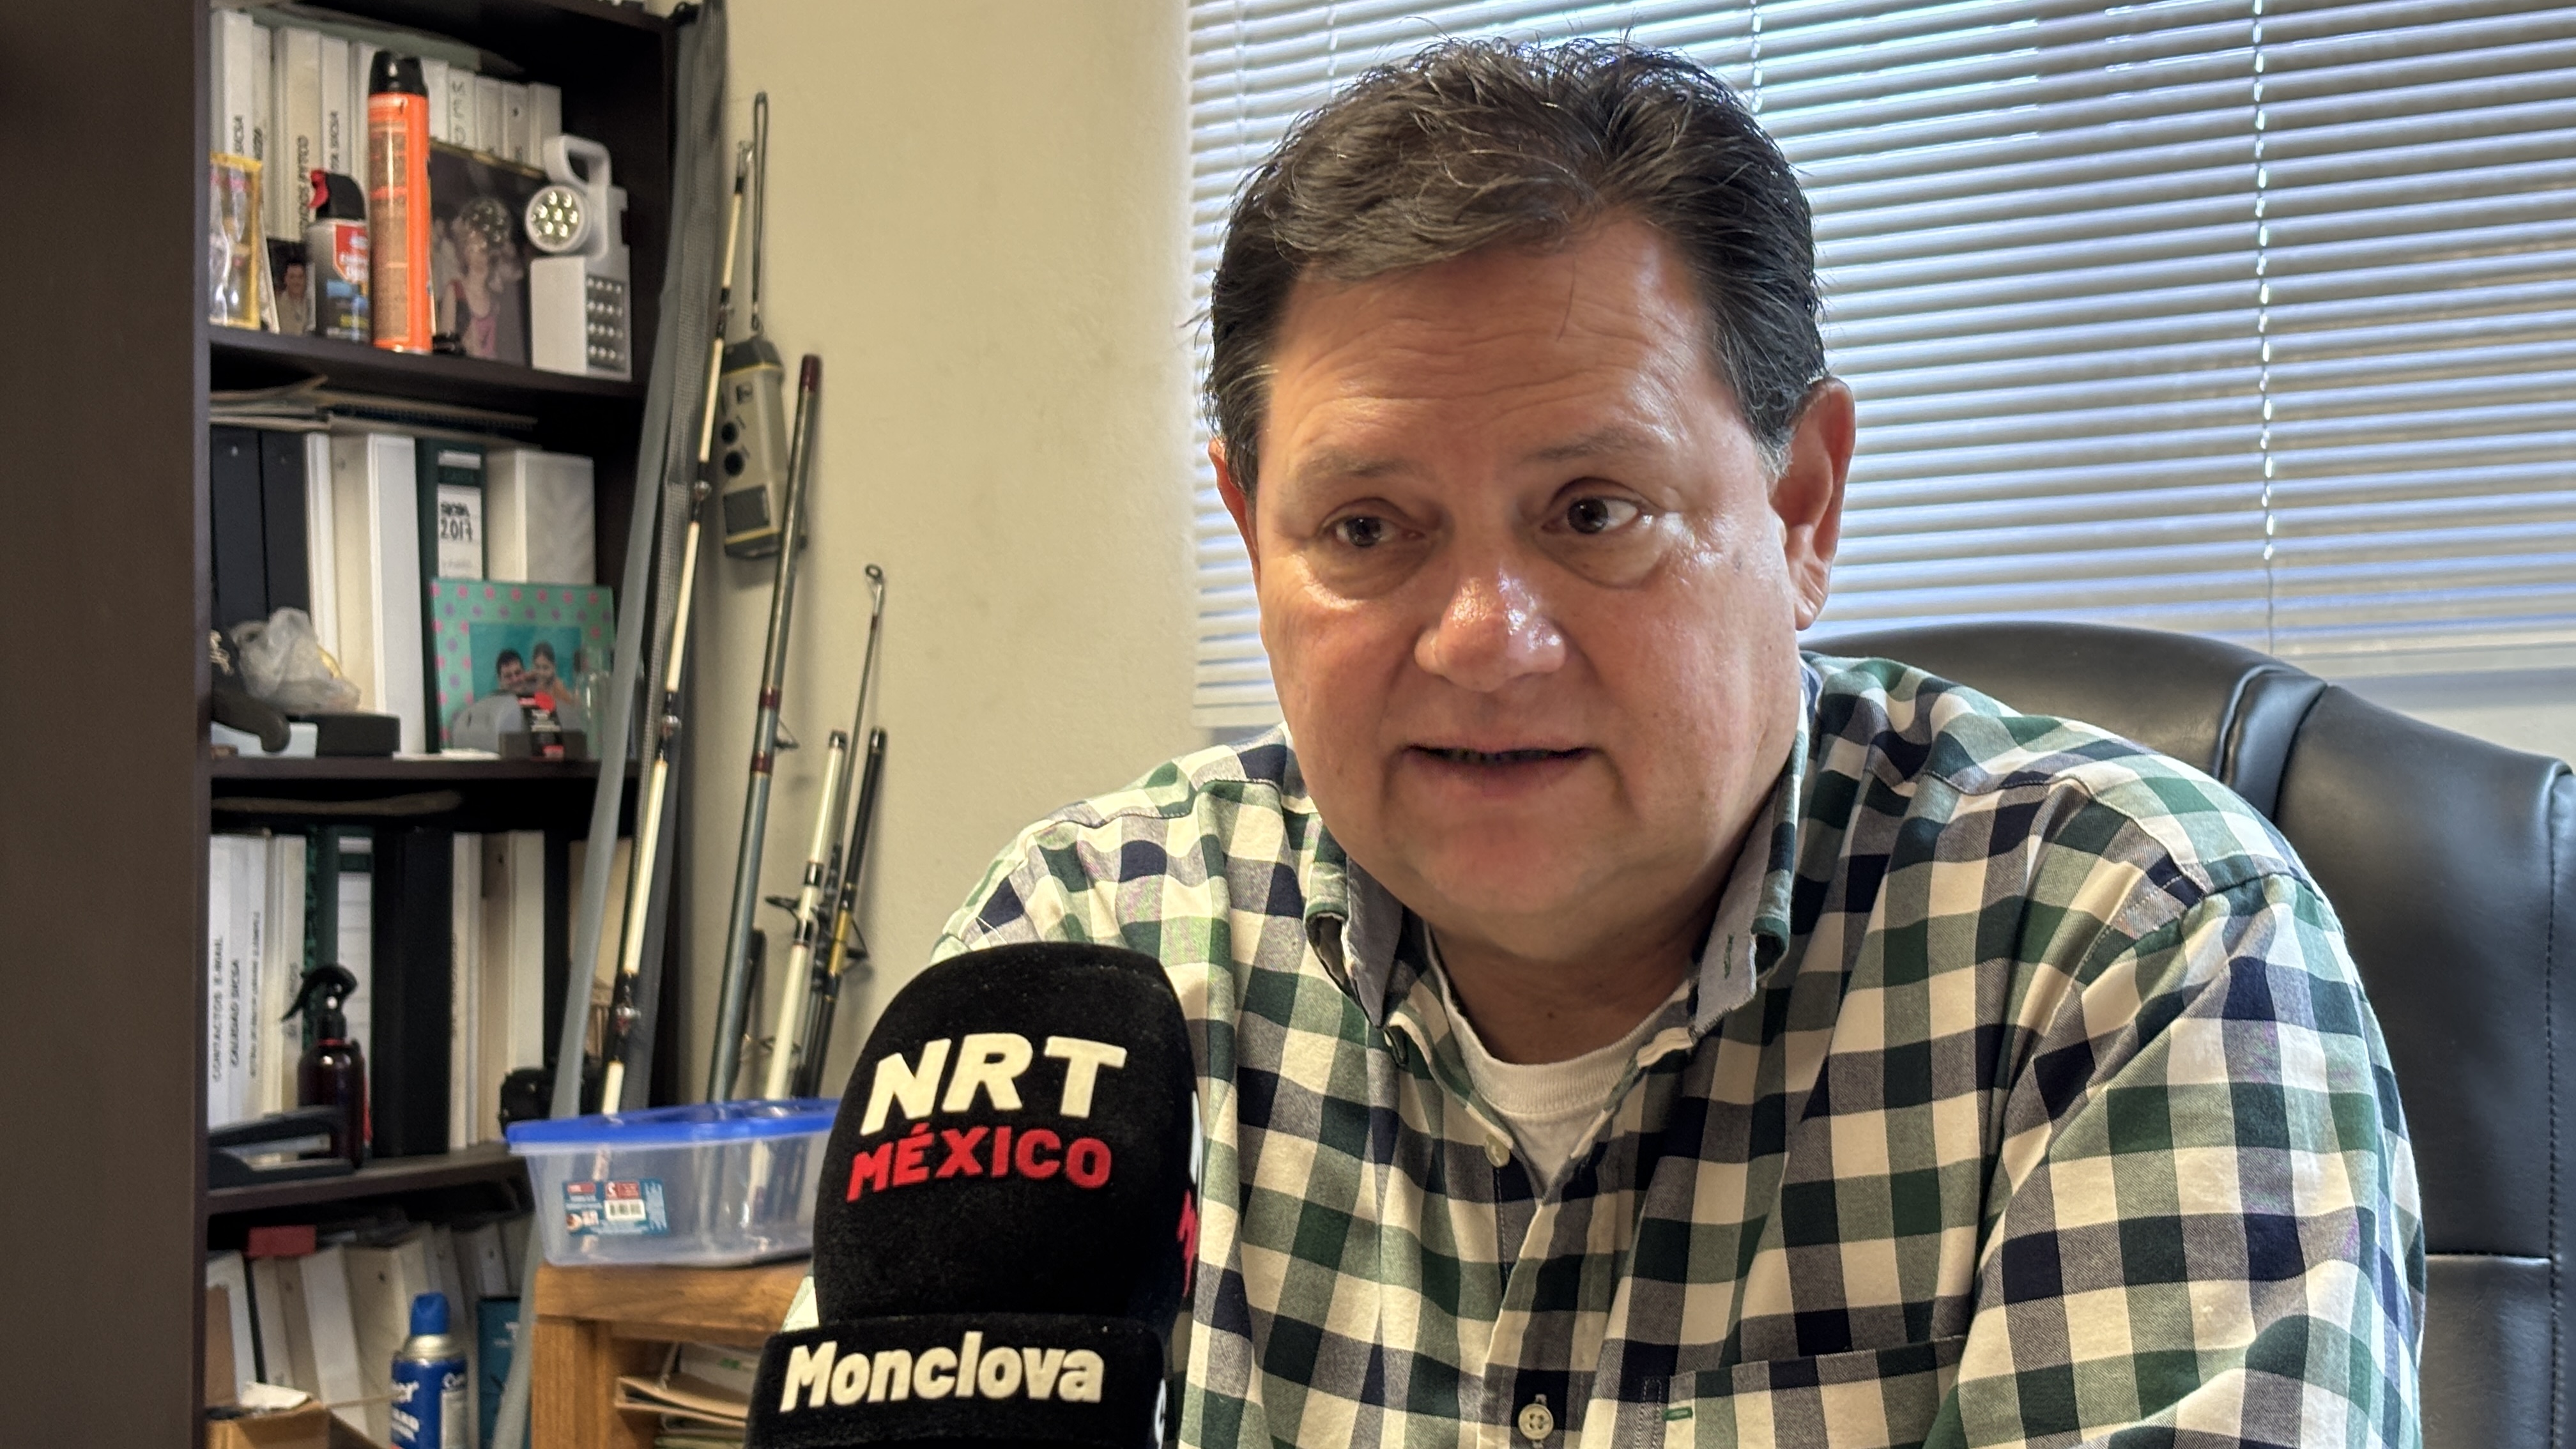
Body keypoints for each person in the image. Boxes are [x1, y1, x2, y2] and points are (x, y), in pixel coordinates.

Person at [938, 40, 2421, 1449]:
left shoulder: (2137, 948)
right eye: (1367, 529)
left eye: (1594, 512)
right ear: (1252, 529)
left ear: (1802, 509)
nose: (1482, 640)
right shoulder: (1083, 954)